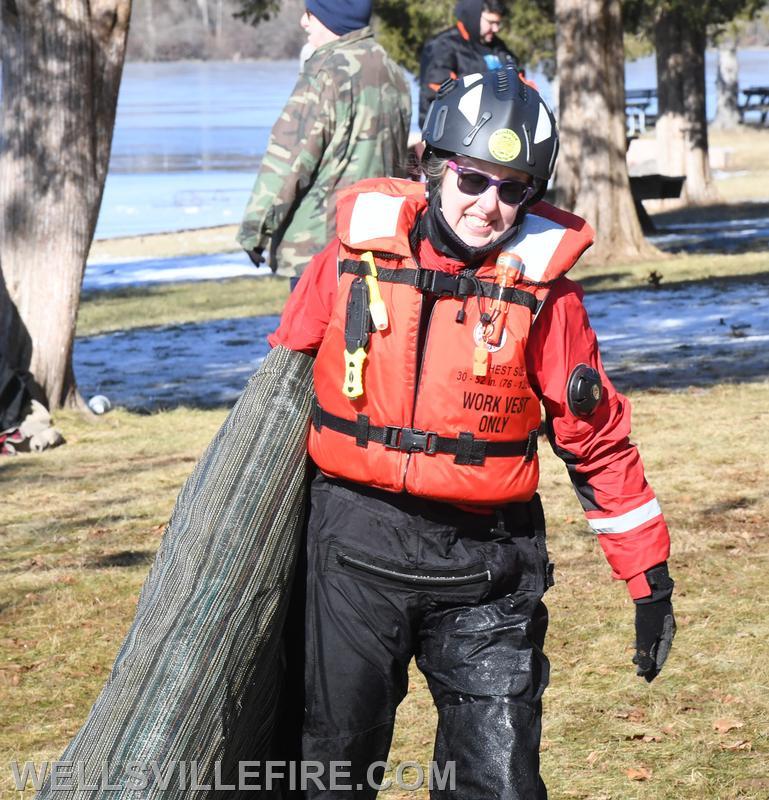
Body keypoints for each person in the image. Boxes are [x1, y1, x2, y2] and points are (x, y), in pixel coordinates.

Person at [271, 66, 676, 798]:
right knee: (330, 772)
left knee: (498, 784)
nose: (489, 207)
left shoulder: (548, 301)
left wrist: (646, 578)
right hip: (356, 552)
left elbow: (597, 442)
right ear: (432, 169)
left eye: (512, 189)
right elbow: (278, 396)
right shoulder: (344, 266)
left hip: (487, 565)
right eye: (472, 180)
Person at [237, 0, 412, 278]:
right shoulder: (392, 71)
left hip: (320, 247)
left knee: (315, 323)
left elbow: (289, 158)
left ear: (332, 16)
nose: (303, 23)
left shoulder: (326, 71)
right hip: (377, 243)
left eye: (310, 14)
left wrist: (255, 229)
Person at [418, 0, 521, 126]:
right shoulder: (443, 45)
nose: (496, 29)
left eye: (498, 23)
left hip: (500, 129)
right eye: (491, 22)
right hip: (455, 132)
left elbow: (519, 80)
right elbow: (438, 92)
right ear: (474, 16)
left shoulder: (499, 47)